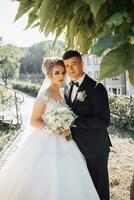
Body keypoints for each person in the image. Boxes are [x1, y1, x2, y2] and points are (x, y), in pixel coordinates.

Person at [0, 57, 100, 200]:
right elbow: (33, 121)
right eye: (57, 73)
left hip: (66, 140)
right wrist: (53, 129)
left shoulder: (63, 94)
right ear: (49, 75)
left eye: (63, 73)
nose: (61, 76)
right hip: (46, 139)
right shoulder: (44, 95)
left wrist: (65, 126)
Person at [63, 50, 112, 200]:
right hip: (75, 147)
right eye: (67, 66)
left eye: (74, 64)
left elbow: (104, 120)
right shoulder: (67, 88)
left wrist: (75, 122)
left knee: (99, 186)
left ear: (82, 64)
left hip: (95, 147)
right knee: (84, 187)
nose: (70, 69)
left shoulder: (96, 88)